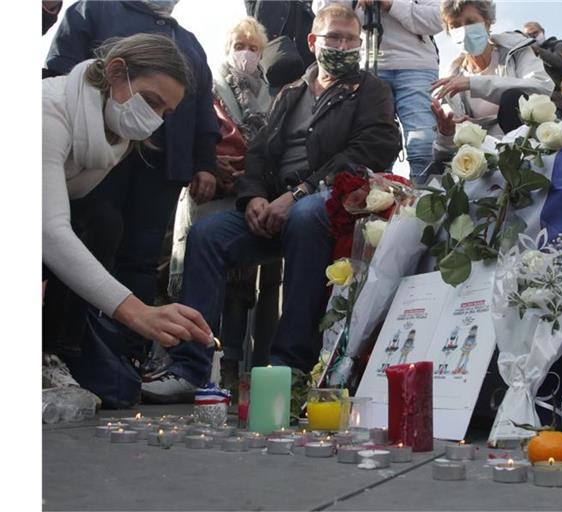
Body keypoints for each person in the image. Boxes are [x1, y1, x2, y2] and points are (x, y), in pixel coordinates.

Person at [140, 3, 401, 402]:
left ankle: (289, 365)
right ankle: (190, 367)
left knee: (306, 216)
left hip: (328, 202)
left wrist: (296, 195)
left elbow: (372, 149)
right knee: (207, 235)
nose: (344, 46)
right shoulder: (290, 93)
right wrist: (255, 199)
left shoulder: (371, 91)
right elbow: (260, 154)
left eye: (352, 39)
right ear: (314, 42)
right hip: (273, 204)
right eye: (335, 37)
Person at [44, 0, 220, 371]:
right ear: (115, 72)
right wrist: (137, 312)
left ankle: (67, 353)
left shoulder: (117, 136)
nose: (153, 120)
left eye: (166, 114)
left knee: (105, 227)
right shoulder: (46, 114)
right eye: (151, 102)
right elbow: (49, 230)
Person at [165, 16, 279, 391]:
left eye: (253, 48)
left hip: (250, 196)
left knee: (240, 291)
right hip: (210, 193)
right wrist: (209, 163)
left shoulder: (277, 94)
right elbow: (194, 128)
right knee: (203, 268)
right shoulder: (207, 85)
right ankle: (190, 362)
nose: (245, 54)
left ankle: (230, 365)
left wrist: (253, 174)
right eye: (239, 46)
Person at [313, 0, 443, 184]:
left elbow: (439, 18)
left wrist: (390, 4)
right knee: (374, 146)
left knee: (422, 144)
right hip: (365, 68)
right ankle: (377, 206)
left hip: (416, 66)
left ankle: (423, 205)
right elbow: (323, 12)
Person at [431, 0, 553, 162]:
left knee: (512, 97)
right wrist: (446, 134)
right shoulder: (450, 83)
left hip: (530, 146)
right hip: (486, 161)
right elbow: (444, 155)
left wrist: (473, 83)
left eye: (470, 22)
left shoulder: (516, 50)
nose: (464, 30)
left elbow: (543, 88)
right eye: (455, 26)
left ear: (488, 23)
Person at [522, 21, 562, 103]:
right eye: (529, 35)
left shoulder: (556, 44)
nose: (533, 36)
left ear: (542, 31)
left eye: (535, 33)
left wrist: (537, 50)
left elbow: (560, 62)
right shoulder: (527, 57)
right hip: (544, 97)